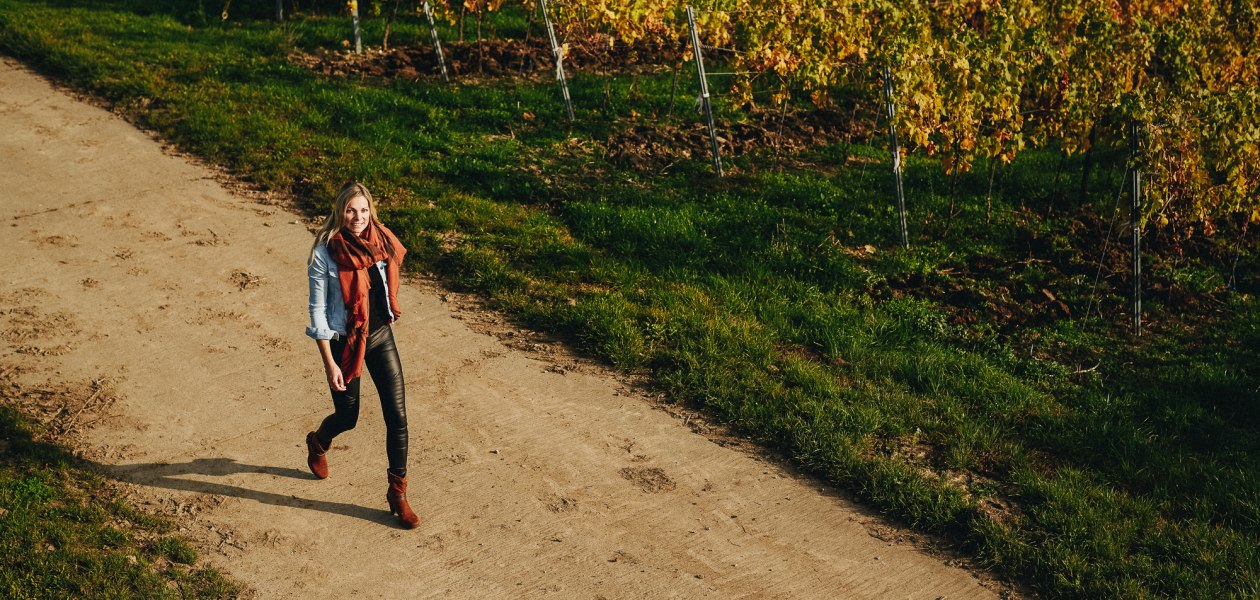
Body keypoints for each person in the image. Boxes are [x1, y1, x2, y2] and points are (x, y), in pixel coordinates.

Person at [303, 181, 418, 529]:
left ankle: (397, 494)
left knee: (397, 415)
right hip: (344, 341)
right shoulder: (325, 253)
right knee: (348, 416)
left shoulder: (380, 239)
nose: (358, 217)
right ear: (340, 212)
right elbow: (317, 312)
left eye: (364, 210)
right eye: (351, 211)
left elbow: (387, 278)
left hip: (380, 334)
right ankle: (319, 441)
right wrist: (329, 364)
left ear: (372, 212)